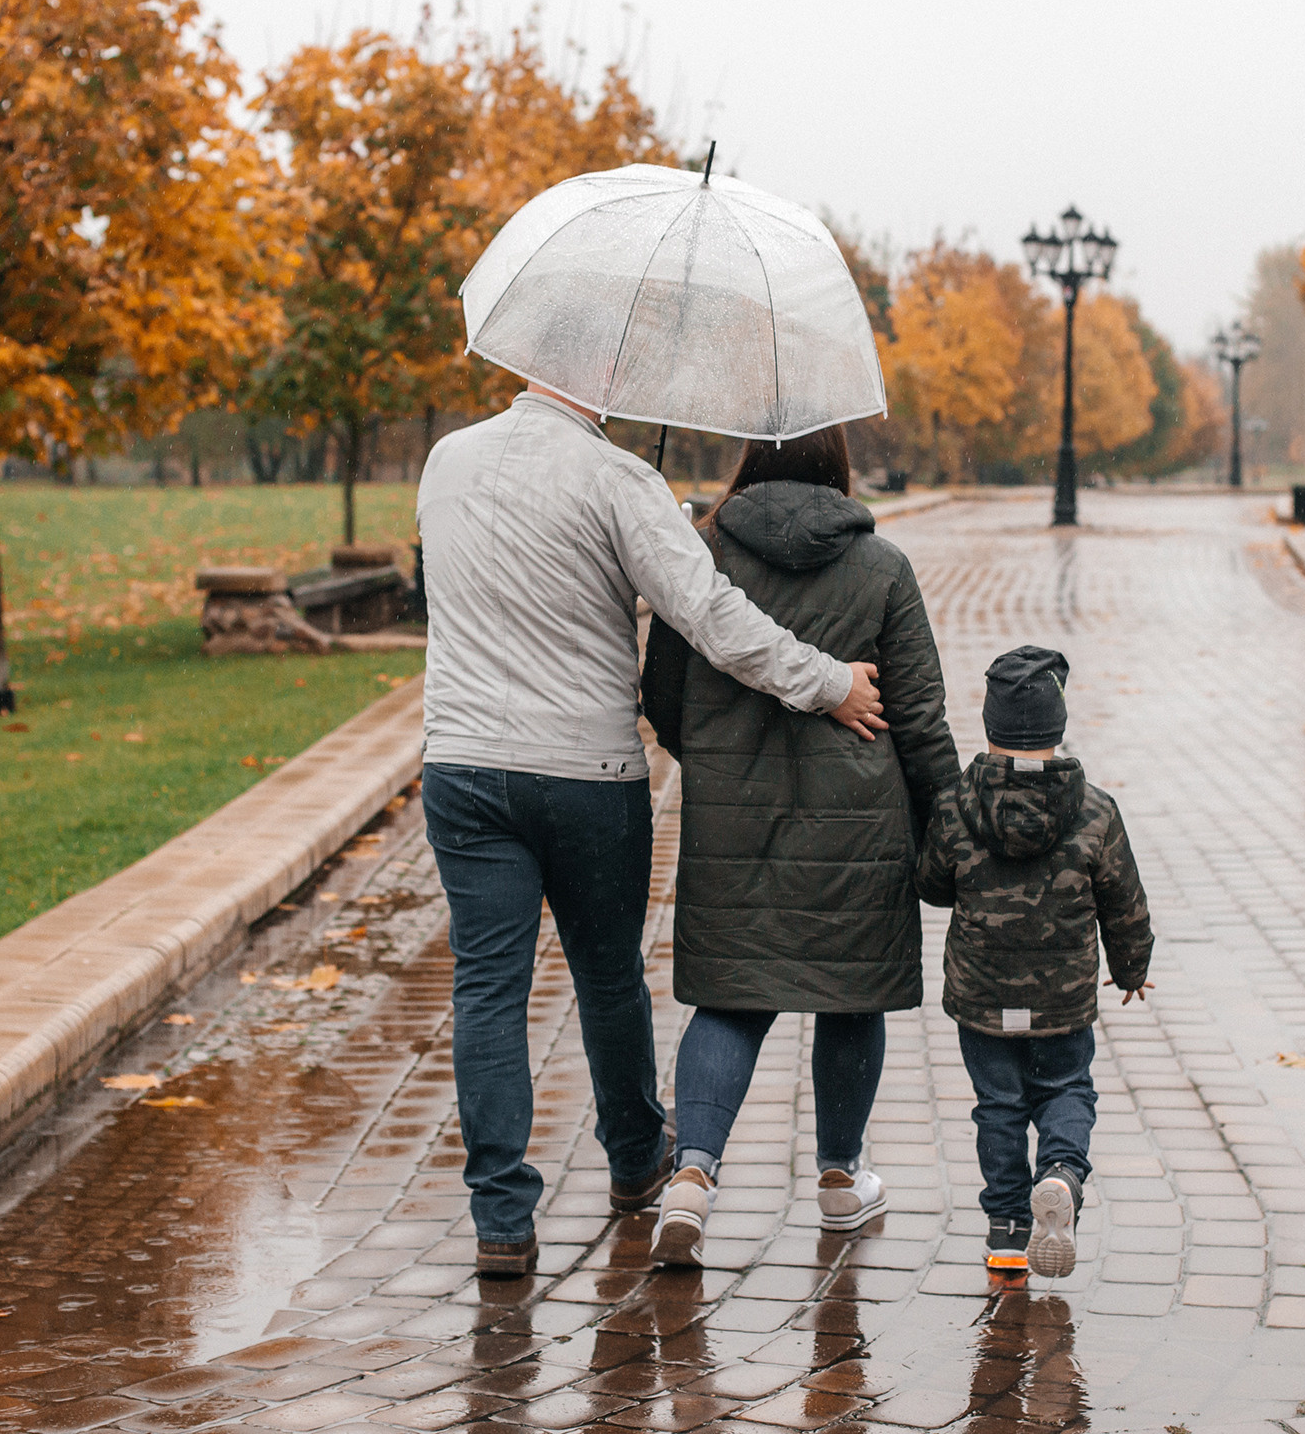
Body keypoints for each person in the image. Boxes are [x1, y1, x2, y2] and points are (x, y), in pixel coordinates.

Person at [416, 383, 891, 1279]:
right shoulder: (617, 477)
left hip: (465, 765)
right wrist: (827, 682)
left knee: (487, 989)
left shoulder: (447, 460)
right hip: (586, 774)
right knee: (606, 978)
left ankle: (502, 1222)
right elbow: (712, 619)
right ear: (594, 374)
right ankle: (637, 1160)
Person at [638, 425, 958, 1267]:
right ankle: (840, 1180)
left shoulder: (703, 554)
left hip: (733, 815)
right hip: (860, 822)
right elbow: (919, 717)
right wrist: (951, 826)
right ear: (837, 463)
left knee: (732, 997)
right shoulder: (881, 568)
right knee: (850, 997)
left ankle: (692, 1177)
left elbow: (662, 693)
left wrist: (715, 756)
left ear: (751, 455)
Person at [915, 645, 1152, 1279]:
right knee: (1066, 1088)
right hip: (1062, 999)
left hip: (981, 996)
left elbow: (933, 885)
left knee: (998, 1105)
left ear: (991, 723)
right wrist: (1131, 969)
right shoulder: (1095, 809)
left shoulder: (954, 805)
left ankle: (1008, 1231)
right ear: (1059, 723)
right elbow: (1124, 899)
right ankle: (1062, 1176)